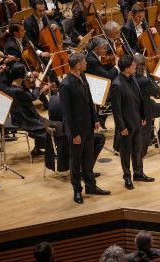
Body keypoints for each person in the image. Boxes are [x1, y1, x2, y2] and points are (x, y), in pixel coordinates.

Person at [60, 53, 110, 204]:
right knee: (75, 161)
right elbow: (67, 114)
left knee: (88, 158)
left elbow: (89, 101)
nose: (86, 63)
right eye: (84, 62)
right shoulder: (66, 85)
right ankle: (77, 190)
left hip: (88, 126)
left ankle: (91, 186)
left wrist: (95, 119)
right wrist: (74, 134)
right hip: (76, 130)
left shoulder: (83, 77)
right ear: (77, 65)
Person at [110, 55, 152, 190]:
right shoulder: (117, 84)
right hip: (126, 125)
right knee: (126, 152)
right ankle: (127, 176)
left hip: (137, 120)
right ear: (127, 68)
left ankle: (138, 173)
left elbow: (139, 98)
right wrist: (121, 127)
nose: (136, 67)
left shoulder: (132, 78)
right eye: (133, 66)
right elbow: (116, 110)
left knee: (137, 149)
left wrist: (143, 115)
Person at [133, 54, 160, 148]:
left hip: (133, 108)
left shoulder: (128, 76)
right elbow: (157, 94)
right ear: (143, 66)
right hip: (143, 110)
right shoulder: (144, 80)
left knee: (153, 103)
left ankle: (151, 136)